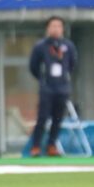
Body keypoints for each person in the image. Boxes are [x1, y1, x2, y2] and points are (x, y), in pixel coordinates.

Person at [28, 17, 77, 157]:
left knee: (58, 118)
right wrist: (43, 78)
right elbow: (33, 66)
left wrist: (64, 78)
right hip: (47, 87)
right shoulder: (40, 46)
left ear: (62, 29)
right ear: (48, 28)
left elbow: (72, 64)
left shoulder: (68, 46)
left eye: (58, 26)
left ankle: (52, 145)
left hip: (62, 87)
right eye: (53, 26)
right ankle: (36, 146)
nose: (56, 29)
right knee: (42, 117)